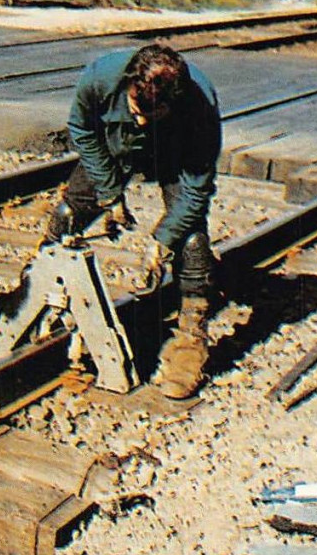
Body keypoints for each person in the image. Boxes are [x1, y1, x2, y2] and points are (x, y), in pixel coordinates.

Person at [44, 43, 222, 399]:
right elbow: (81, 130)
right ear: (127, 86)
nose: (141, 121)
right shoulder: (99, 78)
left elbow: (196, 190)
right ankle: (37, 300)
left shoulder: (201, 108)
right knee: (67, 216)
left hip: (174, 153)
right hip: (114, 146)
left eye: (151, 115)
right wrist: (110, 194)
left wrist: (163, 239)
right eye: (136, 109)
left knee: (190, 240)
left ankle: (191, 340)